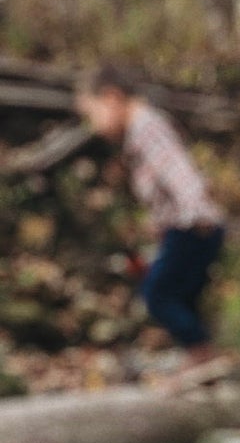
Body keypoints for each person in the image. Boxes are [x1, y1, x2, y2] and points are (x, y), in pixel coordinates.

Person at [76, 64, 226, 359]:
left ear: (111, 98)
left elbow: (180, 174)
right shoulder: (138, 133)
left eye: (91, 115)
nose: (93, 126)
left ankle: (202, 353)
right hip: (185, 226)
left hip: (194, 226)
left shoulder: (147, 127)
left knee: (158, 294)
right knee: (182, 296)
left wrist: (196, 214)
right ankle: (201, 358)